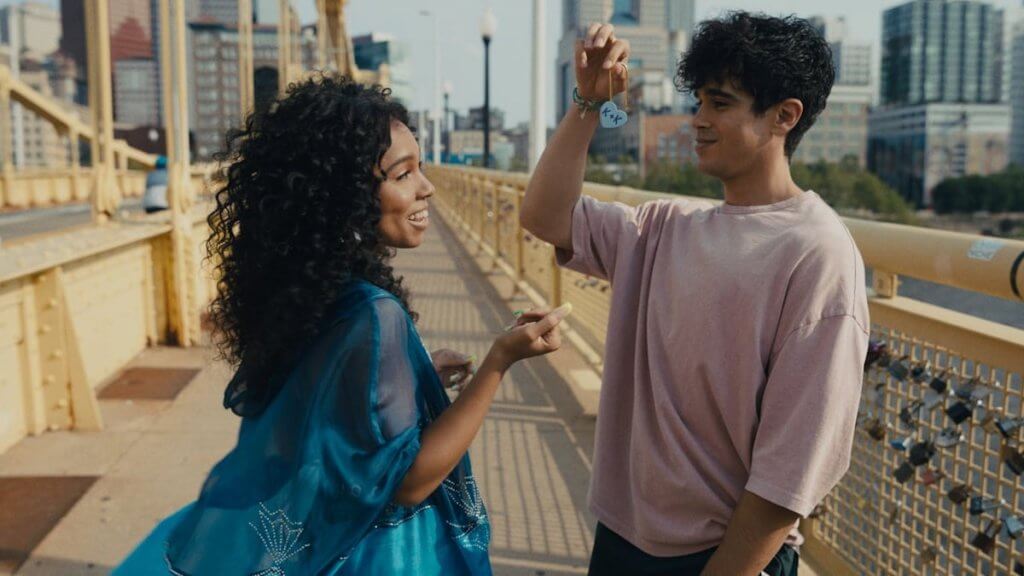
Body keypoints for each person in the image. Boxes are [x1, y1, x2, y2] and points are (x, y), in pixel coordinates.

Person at [113, 75, 568, 575]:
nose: (427, 186)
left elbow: (324, 414)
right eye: (403, 175)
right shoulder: (375, 313)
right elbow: (410, 483)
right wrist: (499, 362)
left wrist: (418, 380)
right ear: (345, 196)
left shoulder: (308, 291)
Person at [520, 12, 869, 576]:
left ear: (785, 115)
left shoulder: (818, 253)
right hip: (623, 536)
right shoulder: (662, 226)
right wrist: (588, 102)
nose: (698, 121)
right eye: (699, 103)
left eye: (720, 103)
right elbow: (543, 214)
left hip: (727, 556)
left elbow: (791, 473)